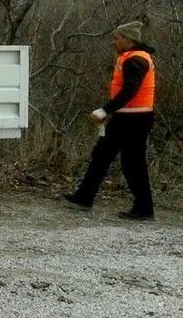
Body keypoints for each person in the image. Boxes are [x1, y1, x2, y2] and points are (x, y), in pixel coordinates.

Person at [65, 21, 157, 221]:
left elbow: (129, 91)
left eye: (116, 38)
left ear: (128, 39)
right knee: (102, 155)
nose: (113, 42)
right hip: (128, 117)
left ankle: (144, 208)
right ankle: (84, 197)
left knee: (131, 163)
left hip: (135, 120)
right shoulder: (132, 57)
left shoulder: (136, 60)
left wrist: (104, 110)